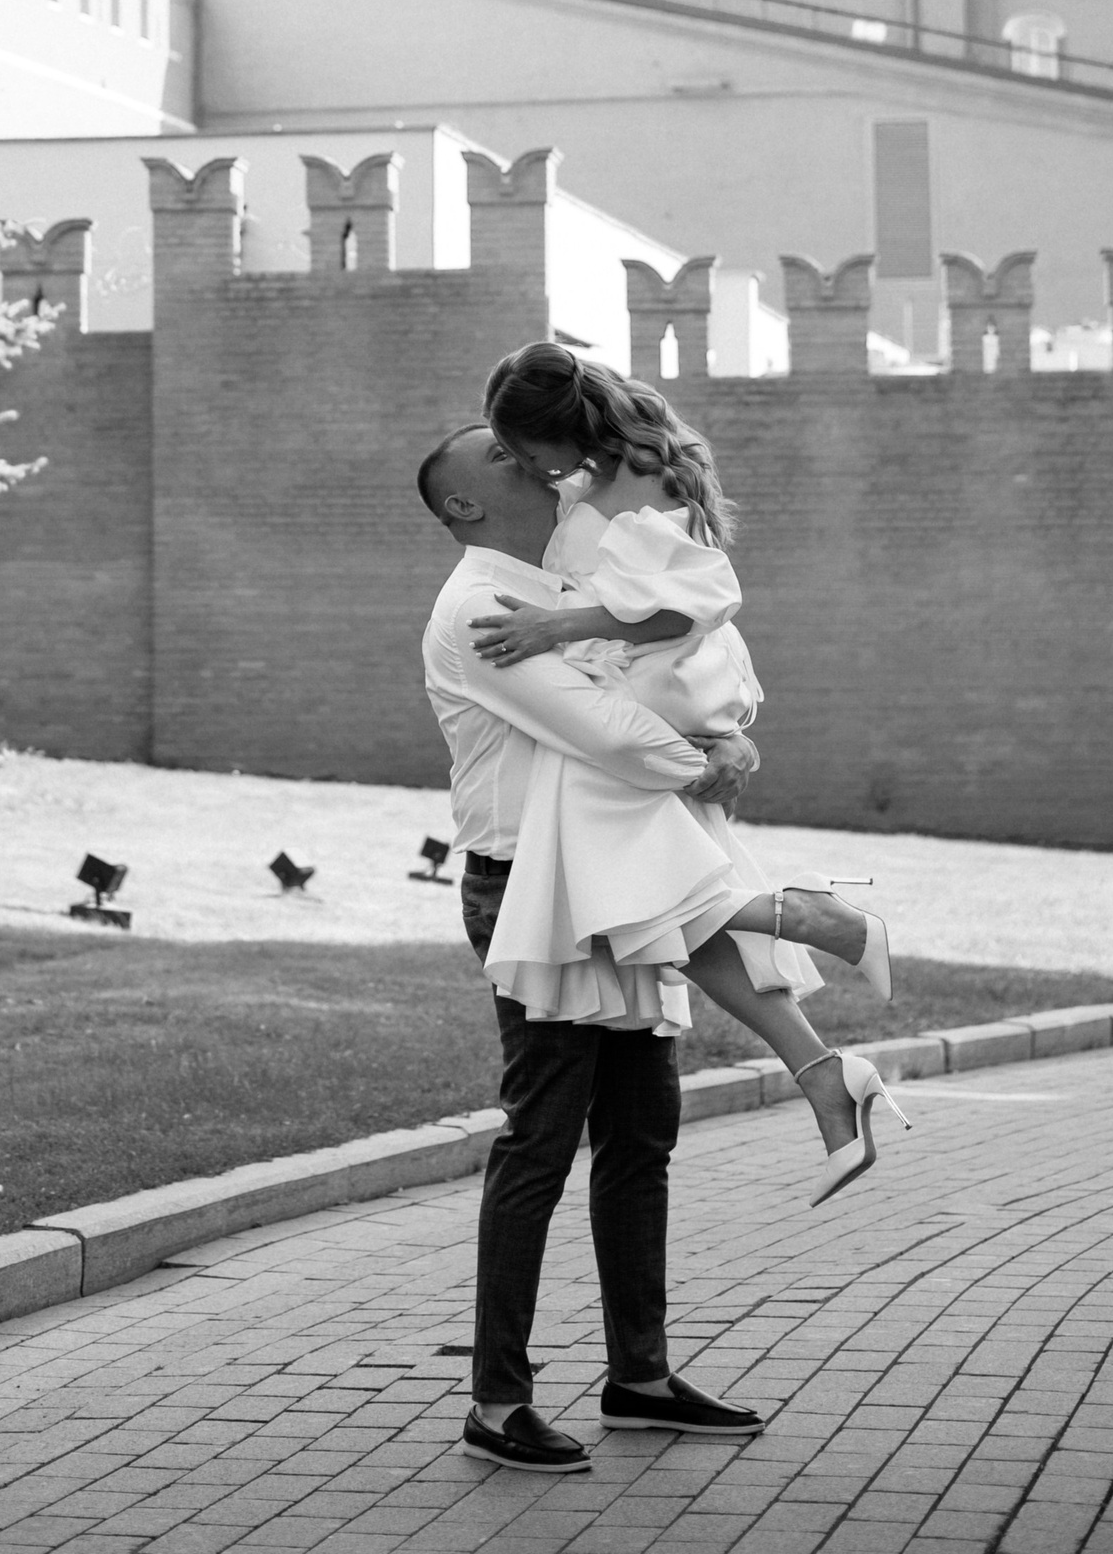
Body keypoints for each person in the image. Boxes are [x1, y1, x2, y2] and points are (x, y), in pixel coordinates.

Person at [474, 341, 909, 1209]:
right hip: (642, 696)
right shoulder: (615, 476)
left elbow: (686, 611)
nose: (526, 469)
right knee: (667, 920)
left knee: (632, 898)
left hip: (635, 702)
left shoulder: (636, 485)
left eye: (524, 451)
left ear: (556, 432)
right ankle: (827, 1079)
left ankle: (806, 914)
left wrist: (555, 630)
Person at [418, 421, 766, 1474]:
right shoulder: (481, 608)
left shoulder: (569, 577)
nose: (532, 459)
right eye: (502, 457)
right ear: (465, 505)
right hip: (531, 888)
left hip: (613, 873)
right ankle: (497, 1402)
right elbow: (605, 731)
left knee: (641, 1133)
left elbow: (674, 647)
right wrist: (705, 763)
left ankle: (640, 1379)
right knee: (542, 1138)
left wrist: (727, 729)